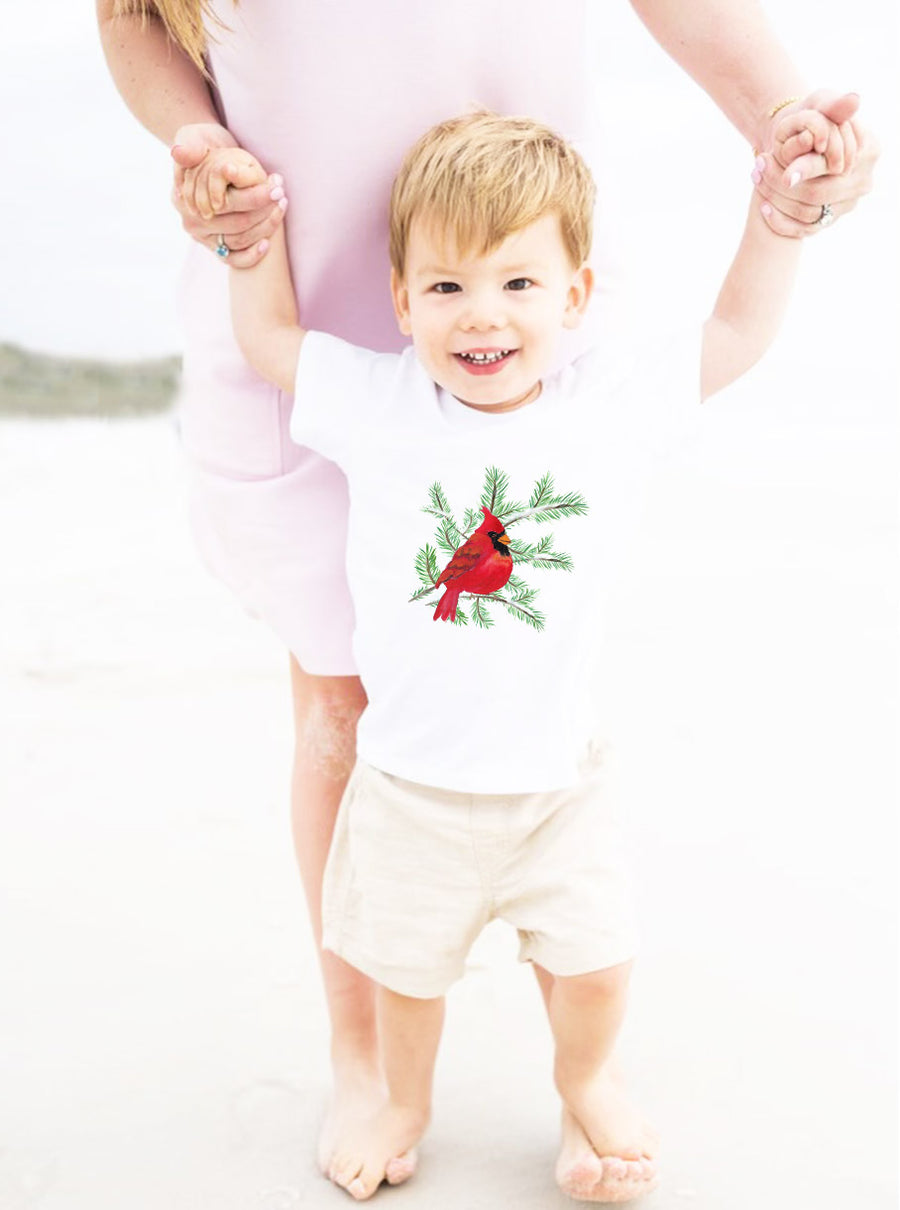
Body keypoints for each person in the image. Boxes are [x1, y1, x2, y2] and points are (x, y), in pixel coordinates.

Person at [96, 0, 879, 1196]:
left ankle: (585, 1083)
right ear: (416, 308)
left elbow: (732, 332)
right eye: (455, 296)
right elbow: (139, 30)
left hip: (512, 233)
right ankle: (377, 1071)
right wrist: (218, 184)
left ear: (579, 295)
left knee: (594, 959)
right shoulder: (367, 394)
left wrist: (782, 170)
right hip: (315, 267)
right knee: (346, 757)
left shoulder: (587, 387)